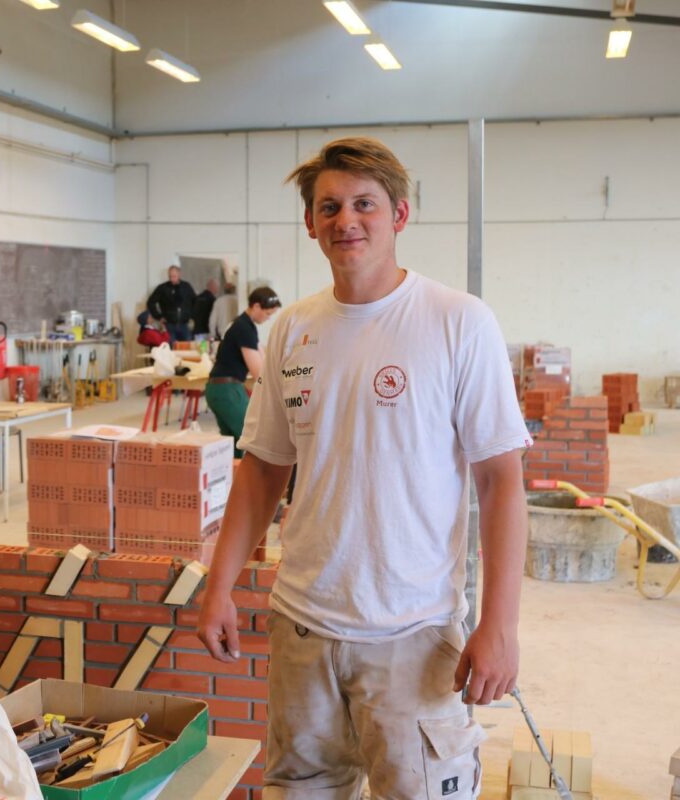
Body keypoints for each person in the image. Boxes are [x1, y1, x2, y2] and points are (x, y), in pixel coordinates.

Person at [197, 137, 530, 798]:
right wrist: (220, 585)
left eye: (364, 205)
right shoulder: (292, 329)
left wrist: (499, 625)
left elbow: (500, 481)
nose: (345, 220)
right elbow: (262, 470)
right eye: (329, 207)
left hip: (411, 634)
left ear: (399, 216)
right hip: (303, 631)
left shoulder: (458, 322)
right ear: (310, 222)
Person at [204, 286, 280, 458]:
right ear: (256, 306)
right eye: (267, 314)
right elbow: (259, 372)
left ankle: (232, 481)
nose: (268, 318)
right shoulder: (244, 328)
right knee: (253, 440)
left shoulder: (245, 326)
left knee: (232, 445)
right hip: (227, 390)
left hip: (218, 389)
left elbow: (264, 354)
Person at [146, 265, 196, 343]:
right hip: (169, 325)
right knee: (170, 348)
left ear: (179, 274)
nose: (172, 279)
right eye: (170, 276)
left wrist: (190, 315)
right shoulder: (163, 288)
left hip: (184, 325)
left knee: (186, 347)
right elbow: (150, 302)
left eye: (174, 276)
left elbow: (195, 301)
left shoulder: (186, 287)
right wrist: (158, 316)